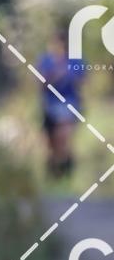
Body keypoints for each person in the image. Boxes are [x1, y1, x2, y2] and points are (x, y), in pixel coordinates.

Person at [37, 30, 85, 179]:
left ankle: (67, 172)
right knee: (51, 143)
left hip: (69, 104)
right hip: (50, 106)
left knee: (63, 138)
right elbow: (41, 83)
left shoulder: (75, 61)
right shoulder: (46, 61)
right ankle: (53, 173)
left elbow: (82, 80)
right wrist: (56, 74)